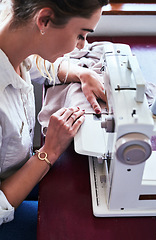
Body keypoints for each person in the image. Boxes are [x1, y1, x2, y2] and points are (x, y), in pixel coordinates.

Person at [0, 0, 109, 228]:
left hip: (16, 172)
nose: (81, 46)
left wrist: (81, 73)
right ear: (45, 20)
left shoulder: (12, 32)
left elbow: (38, 65)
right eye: (80, 34)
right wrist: (49, 151)